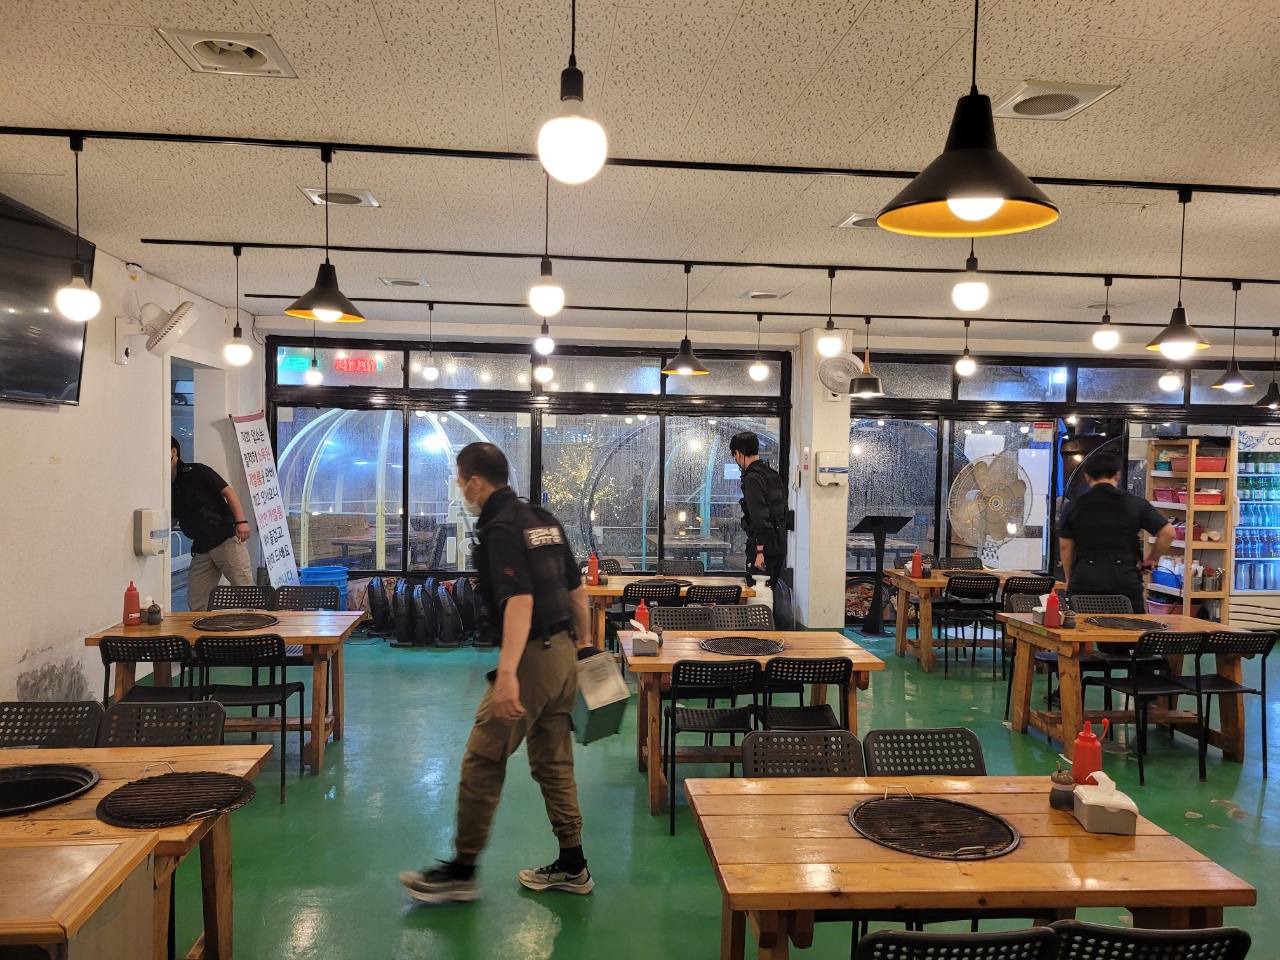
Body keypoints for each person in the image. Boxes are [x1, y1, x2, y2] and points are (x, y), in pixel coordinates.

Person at [400, 442, 596, 904]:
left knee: (483, 760)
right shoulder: (542, 519)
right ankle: (573, 864)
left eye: (459, 479)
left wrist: (507, 675)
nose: (459, 488)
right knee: (554, 763)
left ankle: (462, 870)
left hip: (533, 659)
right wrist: (585, 647)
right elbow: (577, 591)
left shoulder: (501, 528)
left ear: (475, 482)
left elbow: (520, 601)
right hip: (564, 655)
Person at [1058, 452, 1174, 614]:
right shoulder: (1135, 504)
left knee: (1084, 628)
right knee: (1130, 628)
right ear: (1117, 475)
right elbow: (1168, 533)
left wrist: (1070, 578)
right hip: (1125, 582)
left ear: (1087, 477)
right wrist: (1152, 559)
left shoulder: (1073, 506)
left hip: (1085, 582)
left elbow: (1065, 546)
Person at [170, 437, 254, 610]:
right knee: (197, 600)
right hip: (201, 546)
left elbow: (228, 492)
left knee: (246, 592)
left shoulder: (197, 471)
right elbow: (174, 516)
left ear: (173, 451)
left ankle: (258, 625)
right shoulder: (168, 485)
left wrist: (241, 521)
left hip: (225, 538)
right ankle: (202, 627)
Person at [729, 431, 788, 587]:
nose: (736, 460)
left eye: (734, 456)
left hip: (763, 549)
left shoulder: (752, 478)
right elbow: (783, 510)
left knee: (756, 594)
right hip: (779, 544)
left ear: (738, 453)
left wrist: (759, 552)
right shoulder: (773, 474)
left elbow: (759, 516)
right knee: (769, 591)